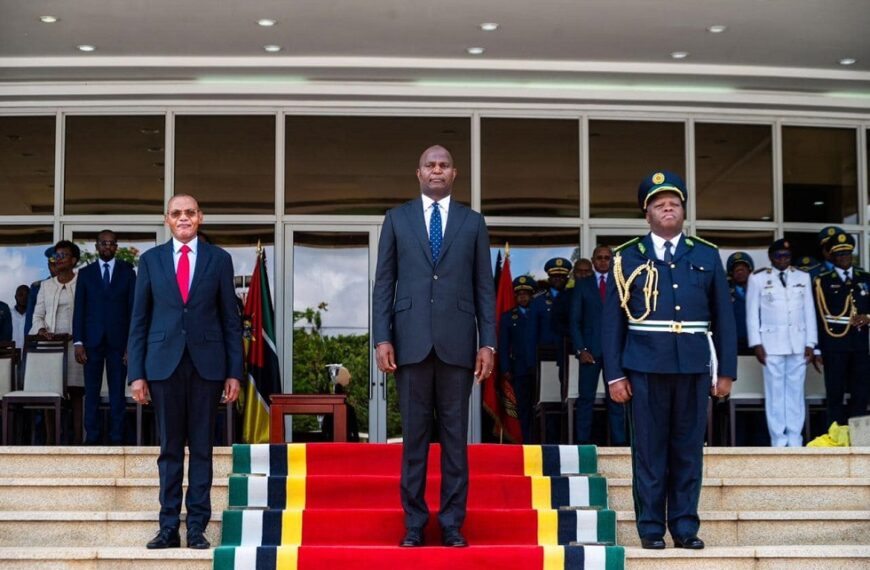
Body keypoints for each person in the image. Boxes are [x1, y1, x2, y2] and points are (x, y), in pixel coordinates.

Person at [602, 170, 736, 550]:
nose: (667, 209)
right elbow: (612, 323)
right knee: (648, 452)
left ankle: (684, 527)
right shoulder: (626, 257)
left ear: (683, 211)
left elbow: (724, 319)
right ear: (647, 214)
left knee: (688, 451)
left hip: (693, 368)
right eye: (659, 205)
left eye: (673, 204)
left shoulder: (706, 255)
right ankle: (649, 529)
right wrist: (614, 375)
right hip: (643, 368)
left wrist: (725, 371)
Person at [372, 145, 495, 549]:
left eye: (443, 165)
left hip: (459, 346)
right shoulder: (396, 219)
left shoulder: (473, 223)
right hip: (410, 345)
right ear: (419, 172)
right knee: (414, 442)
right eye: (430, 165)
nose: (437, 171)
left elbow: (483, 288)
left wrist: (488, 343)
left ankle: (452, 524)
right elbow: (384, 284)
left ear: (454, 173)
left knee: (456, 443)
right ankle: (413, 524)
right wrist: (382, 337)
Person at [128, 194, 242, 550]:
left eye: (189, 213)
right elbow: (139, 321)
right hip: (163, 366)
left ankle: (196, 528)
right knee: (170, 448)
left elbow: (230, 322)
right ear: (167, 220)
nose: (183, 218)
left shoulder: (219, 260)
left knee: (204, 449)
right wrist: (137, 374)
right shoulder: (150, 261)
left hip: (208, 367)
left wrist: (234, 372)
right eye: (176, 213)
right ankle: (167, 527)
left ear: (200, 218)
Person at [745, 239, 817, 447]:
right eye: (778, 256)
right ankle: (778, 439)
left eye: (786, 256)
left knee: (795, 392)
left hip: (799, 342)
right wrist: (756, 343)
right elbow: (752, 314)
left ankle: (795, 438)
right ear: (771, 257)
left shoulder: (802, 276)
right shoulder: (758, 279)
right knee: (775, 393)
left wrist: (811, 342)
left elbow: (809, 312)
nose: (783, 260)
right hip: (770, 344)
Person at [73, 230, 136, 445]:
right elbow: (79, 310)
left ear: (116, 247)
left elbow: (133, 309)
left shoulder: (127, 272)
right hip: (91, 343)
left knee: (117, 393)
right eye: (103, 243)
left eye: (111, 243)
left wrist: (131, 344)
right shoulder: (86, 273)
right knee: (92, 392)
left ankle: (117, 437)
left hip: (119, 344)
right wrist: (78, 342)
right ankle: (92, 437)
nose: (107, 247)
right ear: (97, 246)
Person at [812, 233, 870, 426]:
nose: (844, 257)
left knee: (861, 393)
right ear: (832, 256)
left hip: (860, 345)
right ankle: (837, 439)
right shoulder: (823, 281)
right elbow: (818, 318)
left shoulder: (865, 277)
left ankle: (859, 438)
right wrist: (817, 348)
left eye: (847, 253)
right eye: (839, 254)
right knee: (835, 394)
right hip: (834, 345)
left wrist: (867, 317)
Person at [570, 245, 626, 445]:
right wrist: (581, 349)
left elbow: (626, 320)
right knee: (586, 400)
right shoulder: (583, 285)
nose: (603, 261)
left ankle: (621, 447)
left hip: (615, 353)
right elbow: (574, 321)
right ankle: (583, 445)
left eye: (607, 258)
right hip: (590, 353)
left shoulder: (620, 284)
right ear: (593, 261)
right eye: (599, 258)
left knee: (617, 400)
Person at [498, 276, 537, 442]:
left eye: (526, 294)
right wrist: (506, 368)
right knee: (523, 408)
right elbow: (503, 345)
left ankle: (541, 440)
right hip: (519, 369)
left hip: (540, 368)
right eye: (519, 294)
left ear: (531, 295)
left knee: (541, 406)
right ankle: (526, 442)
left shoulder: (538, 312)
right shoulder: (508, 317)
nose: (523, 297)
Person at [24, 246, 57, 337]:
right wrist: (30, 345)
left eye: (59, 264)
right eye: (53, 265)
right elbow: (30, 319)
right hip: (43, 341)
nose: (57, 268)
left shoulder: (77, 285)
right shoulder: (37, 288)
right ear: (48, 266)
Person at [726, 252, 754, 356]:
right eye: (736, 270)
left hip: (756, 341)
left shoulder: (759, 290)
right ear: (731, 273)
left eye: (743, 269)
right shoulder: (725, 292)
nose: (740, 272)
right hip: (734, 341)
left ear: (750, 270)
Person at [11, 285, 28, 352]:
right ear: (15, 297)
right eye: (20, 294)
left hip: (29, 357)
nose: (23, 298)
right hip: (10, 357)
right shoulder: (8, 315)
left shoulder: (35, 316)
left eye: (26, 295)